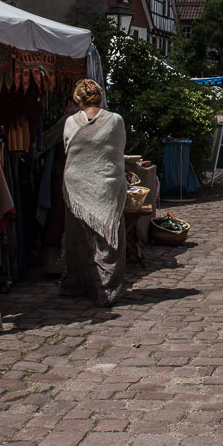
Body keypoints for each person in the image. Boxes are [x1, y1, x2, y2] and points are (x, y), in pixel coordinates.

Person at [59, 79, 127, 305]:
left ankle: (76, 284)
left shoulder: (71, 122)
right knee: (107, 238)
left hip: (76, 185)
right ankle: (105, 289)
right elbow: (119, 149)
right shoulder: (115, 121)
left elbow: (68, 148)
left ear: (78, 99)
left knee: (77, 238)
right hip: (105, 184)